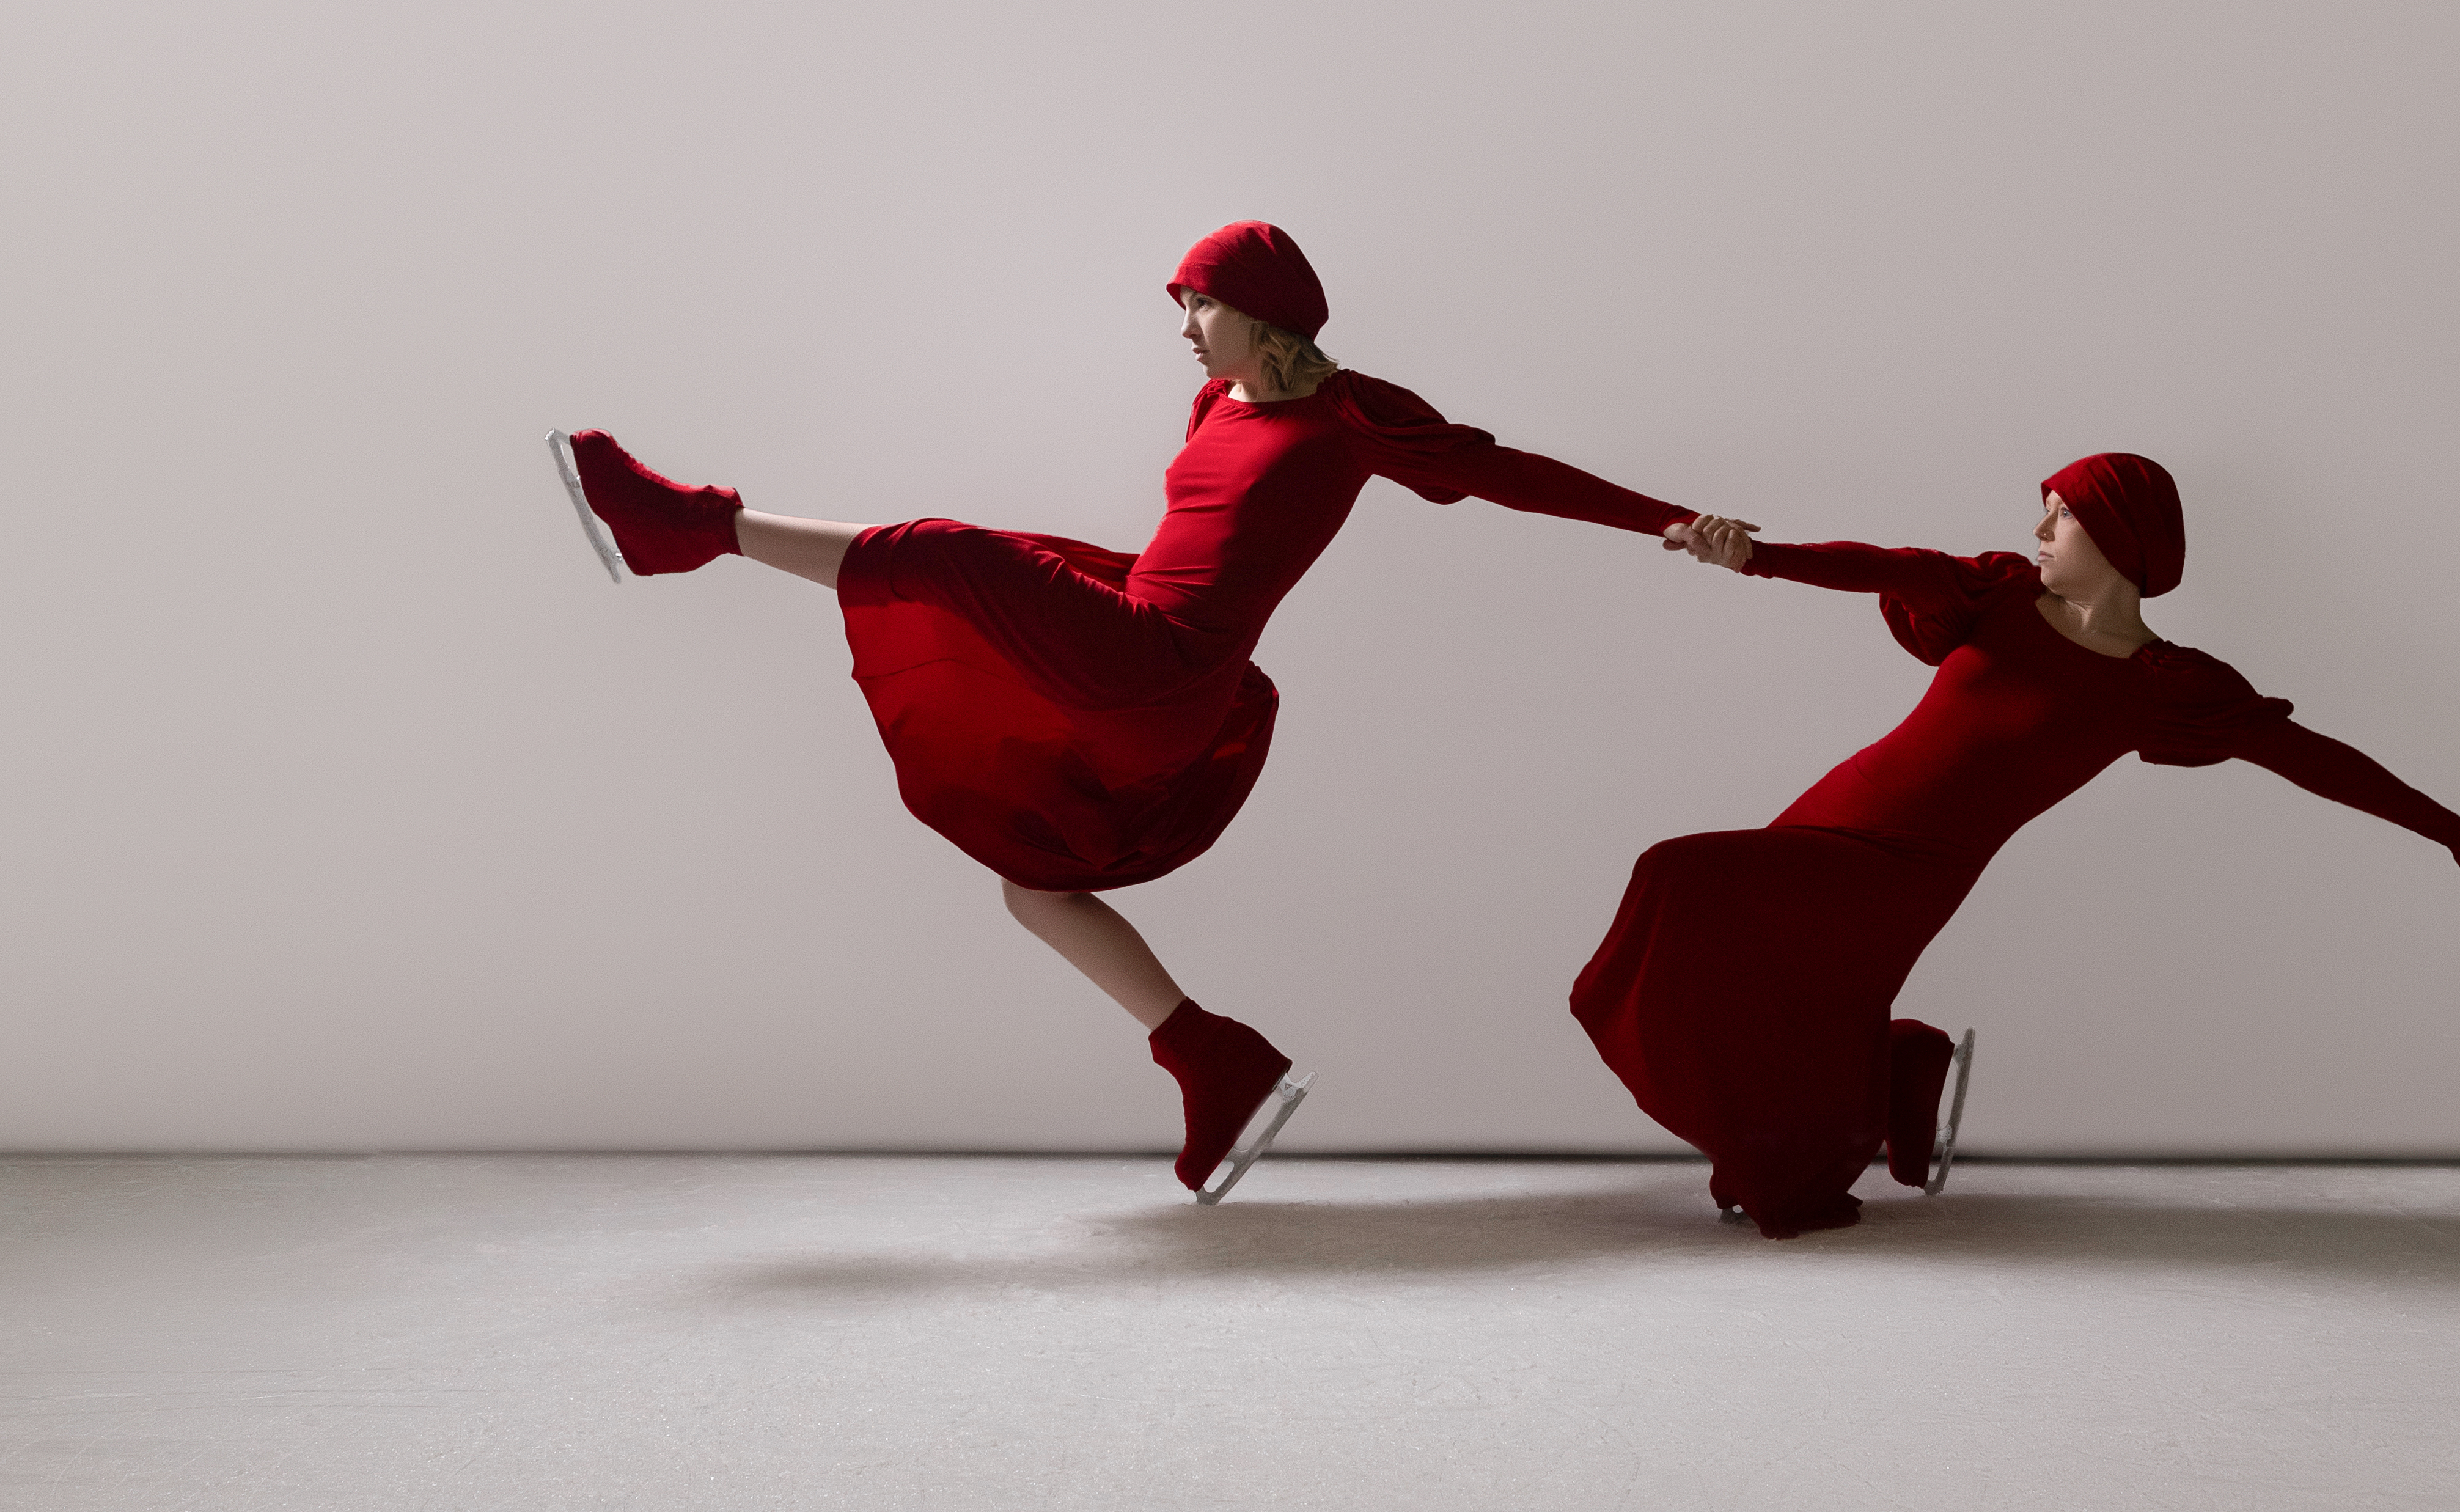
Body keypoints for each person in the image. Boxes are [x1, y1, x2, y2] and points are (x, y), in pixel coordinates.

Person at [557, 224, 1697, 1195]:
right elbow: (1193, 541)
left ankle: (688, 527)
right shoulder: (1217, 399)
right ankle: (1214, 1060)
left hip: (1162, 666)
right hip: (1134, 642)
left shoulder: (1353, 417)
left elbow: (1514, 473)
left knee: (945, 552)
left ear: (1263, 315)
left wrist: (1675, 523)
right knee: (1035, 882)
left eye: (1199, 303)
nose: (1185, 326)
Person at [1571, 452, 2460, 1239]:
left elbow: (2316, 759)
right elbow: (1874, 564)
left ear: (2121, 535)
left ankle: (1870, 1092)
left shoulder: (2163, 686)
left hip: (1912, 870)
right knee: (1775, 988)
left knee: (1679, 877)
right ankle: (1894, 1074)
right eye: (2040, 511)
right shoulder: (1994, 594)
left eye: (2062, 514)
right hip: (1828, 815)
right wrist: (1754, 556)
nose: (2039, 530)